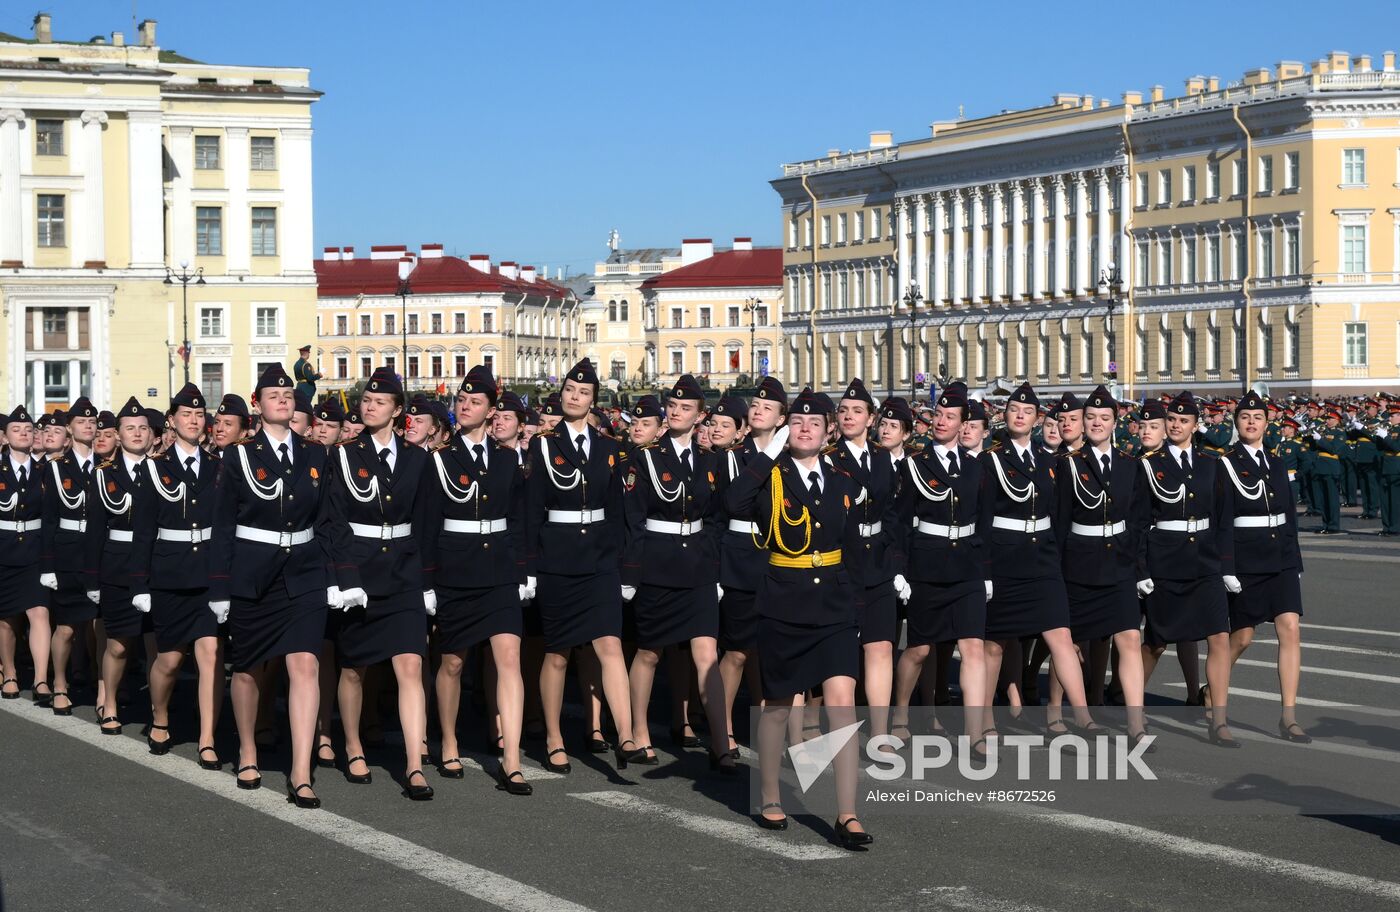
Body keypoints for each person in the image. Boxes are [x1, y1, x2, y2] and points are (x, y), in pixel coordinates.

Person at [725, 387, 872, 846]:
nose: (805, 428)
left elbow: (853, 548)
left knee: (843, 704)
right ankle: (770, 794)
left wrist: (859, 604)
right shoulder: (770, 474)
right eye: (798, 422)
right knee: (777, 707)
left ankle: (847, 813)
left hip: (833, 602)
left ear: (830, 431)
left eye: (815, 422)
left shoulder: (845, 479)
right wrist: (767, 453)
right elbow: (732, 504)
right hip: (783, 602)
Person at [208, 363, 335, 807]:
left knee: (305, 665)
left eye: (288, 396)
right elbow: (222, 525)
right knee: (248, 668)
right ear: (257, 404)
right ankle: (247, 749)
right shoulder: (238, 455)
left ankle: (301, 772)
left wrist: (336, 577)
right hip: (252, 572)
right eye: (273, 395)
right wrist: (220, 586)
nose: (283, 400)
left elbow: (326, 522)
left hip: (303, 573)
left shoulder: (316, 454)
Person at [524, 359, 644, 772]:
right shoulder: (542, 444)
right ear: (561, 397)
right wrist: (530, 569)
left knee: (609, 645)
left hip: (598, 560)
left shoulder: (610, 448)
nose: (575, 398)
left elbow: (619, 513)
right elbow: (530, 511)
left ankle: (625, 735)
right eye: (570, 392)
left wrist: (624, 568)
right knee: (557, 654)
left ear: (594, 401)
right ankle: (555, 737)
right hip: (557, 560)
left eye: (583, 394)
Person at [324, 366, 436, 801]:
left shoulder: (417, 458)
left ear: (397, 411)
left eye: (379, 403)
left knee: (410, 665)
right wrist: (344, 577)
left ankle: (413, 764)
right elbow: (333, 521)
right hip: (362, 573)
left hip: (404, 571)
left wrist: (427, 582)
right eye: (366, 402)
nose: (369, 407)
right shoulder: (344, 456)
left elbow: (426, 523)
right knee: (354, 668)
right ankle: (352, 745)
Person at [420, 365, 532, 795]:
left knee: (508, 657)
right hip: (456, 569)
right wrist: (428, 582)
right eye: (461, 401)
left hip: (500, 568)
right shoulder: (441, 461)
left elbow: (519, 520)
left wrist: (525, 571)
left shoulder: (507, 459)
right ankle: (448, 740)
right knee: (452, 662)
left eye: (475, 402)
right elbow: (429, 524)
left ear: (491, 411)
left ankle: (513, 759)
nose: (465, 407)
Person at [620, 374, 735, 773]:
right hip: (658, 563)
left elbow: (718, 516)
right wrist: (631, 573)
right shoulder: (645, 457)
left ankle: (721, 740)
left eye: (686, 408)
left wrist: (715, 565)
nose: (676, 412)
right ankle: (638, 730)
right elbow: (634, 518)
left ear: (701, 416)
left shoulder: (710, 460)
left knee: (707, 654)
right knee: (650, 652)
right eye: (672, 406)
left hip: (698, 566)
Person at [978, 383, 1097, 735]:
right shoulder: (991, 459)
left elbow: (1059, 515)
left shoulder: (1051, 462)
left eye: (1028, 412)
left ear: (1037, 419)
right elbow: (983, 518)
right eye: (1014, 409)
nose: (1020, 415)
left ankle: (1083, 716)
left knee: (1061, 634)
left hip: (1042, 557)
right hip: (1005, 557)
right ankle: (984, 720)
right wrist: (984, 568)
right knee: (994, 645)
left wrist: (1060, 559)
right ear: (1005, 414)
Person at [129, 383, 225, 768]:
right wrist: (139, 582)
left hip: (209, 575)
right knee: (168, 661)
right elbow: (143, 530)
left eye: (200, 415)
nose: (194, 420)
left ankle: (207, 737)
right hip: (169, 574)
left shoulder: (221, 467)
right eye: (186, 414)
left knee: (211, 656)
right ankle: (161, 715)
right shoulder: (155, 468)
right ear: (171, 421)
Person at [1135, 391, 1239, 747]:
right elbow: (1139, 521)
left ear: (1196, 425)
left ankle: (1219, 720)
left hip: (1206, 562)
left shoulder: (1213, 463)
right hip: (1166, 562)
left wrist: (1227, 566)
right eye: (1172, 420)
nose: (1177, 425)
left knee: (1219, 638)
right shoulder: (1148, 464)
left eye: (1184, 421)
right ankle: (1131, 707)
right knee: (1155, 644)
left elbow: (1224, 520)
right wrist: (1141, 569)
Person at [890, 388, 989, 748]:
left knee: (973, 648)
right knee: (919, 650)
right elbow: (899, 521)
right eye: (938, 415)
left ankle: (975, 731)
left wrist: (986, 570)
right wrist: (899, 569)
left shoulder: (977, 467)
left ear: (963, 425)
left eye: (950, 417)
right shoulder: (914, 465)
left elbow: (984, 520)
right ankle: (901, 713)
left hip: (967, 565)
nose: (942, 421)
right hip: (927, 565)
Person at [1054, 386, 1149, 745]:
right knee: (1068, 642)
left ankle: (1136, 723)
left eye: (1104, 418)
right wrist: (1058, 571)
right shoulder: (1070, 464)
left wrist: (1138, 566)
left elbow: (1139, 519)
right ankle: (1054, 711)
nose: (1096, 423)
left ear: (1115, 423)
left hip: (1119, 564)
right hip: (1079, 563)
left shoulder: (1129, 465)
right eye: (1090, 418)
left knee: (1129, 637)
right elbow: (1061, 520)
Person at [1221, 392, 1309, 743]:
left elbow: (1288, 513)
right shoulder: (1224, 463)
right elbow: (1223, 519)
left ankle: (1288, 716)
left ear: (1267, 424)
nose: (1252, 422)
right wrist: (1226, 566)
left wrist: (1295, 560)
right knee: (1241, 637)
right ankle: (1213, 688)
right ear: (1237, 422)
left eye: (1258, 417)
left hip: (1281, 557)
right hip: (1247, 559)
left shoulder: (1275, 463)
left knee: (1290, 627)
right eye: (1245, 417)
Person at [827, 378, 902, 749]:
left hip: (877, 563)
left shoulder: (883, 457)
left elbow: (892, 513)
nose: (849, 416)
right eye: (844, 411)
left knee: (881, 646)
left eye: (857, 411)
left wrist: (894, 560)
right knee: (840, 649)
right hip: (842, 562)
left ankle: (881, 729)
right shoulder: (829, 459)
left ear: (871, 419)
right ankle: (836, 728)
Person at [716, 379, 787, 758]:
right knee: (738, 650)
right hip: (742, 553)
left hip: (778, 555)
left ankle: (769, 728)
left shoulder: (791, 454)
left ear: (781, 418)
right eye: (755, 405)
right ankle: (722, 728)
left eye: (768, 407)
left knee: (772, 647)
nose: (759, 410)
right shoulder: (732, 455)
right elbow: (735, 503)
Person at [89, 398, 153, 736]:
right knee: (119, 643)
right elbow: (96, 532)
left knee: (159, 645)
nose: (137, 433)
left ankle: (160, 712)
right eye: (130, 428)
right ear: (118, 435)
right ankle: (109, 701)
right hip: (119, 566)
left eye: (143, 427)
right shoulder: (105, 475)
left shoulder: (163, 468)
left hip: (158, 565)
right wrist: (92, 578)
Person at [39, 399, 101, 715]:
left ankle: (104, 686)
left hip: (100, 552)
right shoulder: (56, 467)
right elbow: (49, 519)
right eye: (81, 422)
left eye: (92, 422)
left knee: (99, 626)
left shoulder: (107, 465)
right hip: (68, 551)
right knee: (66, 627)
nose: (88, 426)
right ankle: (60, 682)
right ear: (69, 429)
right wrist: (48, 564)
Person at [0, 407, 52, 705]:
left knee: (39, 612)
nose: (23, 433)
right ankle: (9, 671)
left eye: (28, 429)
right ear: (5, 437)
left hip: (35, 548)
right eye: (16, 429)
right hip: (4, 547)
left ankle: (41, 678)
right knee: (7, 620)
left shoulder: (45, 471)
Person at [1309, 410, 1346, 534]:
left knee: (1332, 499)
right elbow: (1313, 448)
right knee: (1323, 499)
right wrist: (1311, 437)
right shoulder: (1324, 432)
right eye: (1327, 419)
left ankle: (1334, 525)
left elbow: (1334, 449)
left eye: (1330, 419)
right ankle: (1325, 524)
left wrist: (1320, 440)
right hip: (1320, 468)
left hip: (1331, 468)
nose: (1327, 421)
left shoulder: (1339, 433)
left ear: (1337, 420)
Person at [1378, 406, 1400, 536]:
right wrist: (1379, 437)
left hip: (1396, 467)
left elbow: (1396, 447)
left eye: (1392, 416)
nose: (1390, 418)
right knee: (1385, 500)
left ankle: (1395, 527)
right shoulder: (1390, 429)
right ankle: (1386, 526)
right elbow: (1380, 447)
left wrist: (1385, 437)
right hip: (1385, 466)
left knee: (1395, 500)